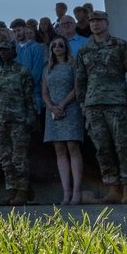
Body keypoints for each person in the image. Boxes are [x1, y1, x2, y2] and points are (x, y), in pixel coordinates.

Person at [74, 10, 127, 204]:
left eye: (99, 21)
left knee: (122, 146)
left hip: (116, 103)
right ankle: (112, 188)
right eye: (92, 21)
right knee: (102, 148)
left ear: (106, 23)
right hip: (93, 105)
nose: (95, 24)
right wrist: (83, 103)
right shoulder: (85, 50)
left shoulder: (120, 46)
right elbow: (81, 79)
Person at [0, 41, 37, 206]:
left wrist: (30, 118)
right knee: (5, 158)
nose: (3, 53)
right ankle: (12, 190)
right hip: (0, 120)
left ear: (13, 52)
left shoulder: (23, 71)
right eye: (0, 50)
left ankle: (22, 190)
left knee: (19, 158)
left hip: (19, 120)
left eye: (6, 50)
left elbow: (29, 97)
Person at [42, 36, 84, 205]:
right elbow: (44, 91)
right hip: (52, 112)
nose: (57, 48)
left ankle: (76, 192)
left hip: (70, 109)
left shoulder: (73, 64)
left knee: (72, 146)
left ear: (66, 48)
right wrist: (52, 107)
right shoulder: (47, 68)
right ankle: (66, 193)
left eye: (61, 45)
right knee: (59, 149)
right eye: (54, 45)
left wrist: (62, 104)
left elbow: (77, 87)